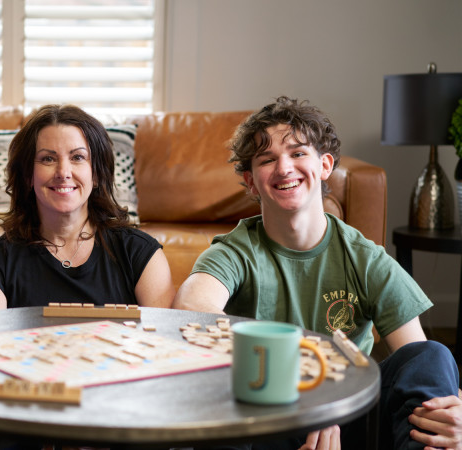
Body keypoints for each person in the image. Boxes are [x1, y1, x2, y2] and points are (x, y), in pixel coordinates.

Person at [173, 96, 462, 449]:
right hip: (266, 418)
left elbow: (419, 365)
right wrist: (287, 371)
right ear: (250, 182)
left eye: (297, 153)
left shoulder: (365, 259)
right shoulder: (237, 250)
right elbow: (191, 306)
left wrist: (451, 412)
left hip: (346, 419)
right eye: (267, 159)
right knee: (217, 400)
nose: (284, 168)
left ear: (324, 165)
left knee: (433, 355)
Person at [0, 104, 174, 310]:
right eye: (48, 159)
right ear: (28, 175)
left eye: (77, 157)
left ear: (96, 174)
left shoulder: (141, 254)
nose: (63, 172)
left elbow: (163, 330)